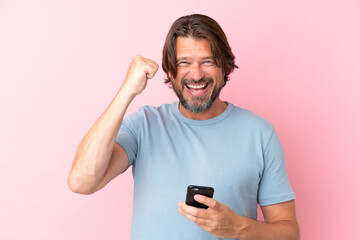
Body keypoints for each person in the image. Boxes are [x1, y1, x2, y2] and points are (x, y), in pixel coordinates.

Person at [68, 14, 300, 240]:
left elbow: (289, 233)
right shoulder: (144, 125)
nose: (197, 74)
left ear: (224, 67)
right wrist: (127, 91)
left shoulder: (260, 134)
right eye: (184, 63)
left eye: (207, 61)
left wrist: (237, 227)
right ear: (171, 70)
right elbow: (81, 182)